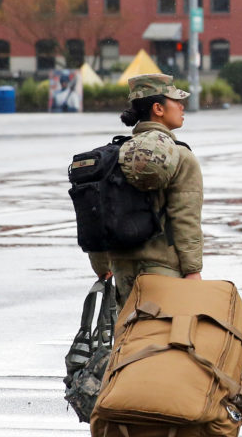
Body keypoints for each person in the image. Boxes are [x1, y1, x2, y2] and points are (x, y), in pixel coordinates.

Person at [87, 73, 203, 305]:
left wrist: (101, 265)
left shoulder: (113, 155)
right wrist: (192, 270)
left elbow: (96, 213)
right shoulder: (180, 156)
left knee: (129, 335)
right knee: (163, 337)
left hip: (122, 268)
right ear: (158, 108)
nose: (182, 106)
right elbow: (185, 218)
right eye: (176, 101)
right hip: (165, 269)